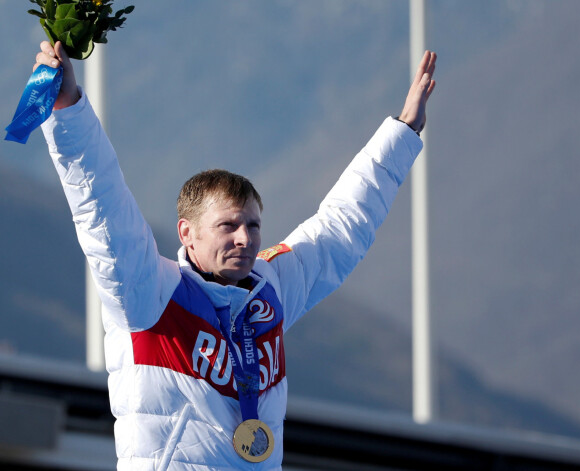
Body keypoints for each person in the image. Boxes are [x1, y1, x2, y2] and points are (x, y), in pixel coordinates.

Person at [35, 40, 436, 470]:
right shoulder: (149, 293)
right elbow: (102, 207)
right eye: (228, 226)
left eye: (254, 225)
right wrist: (69, 110)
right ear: (187, 234)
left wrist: (403, 132)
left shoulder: (272, 291)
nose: (245, 239)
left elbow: (341, 226)